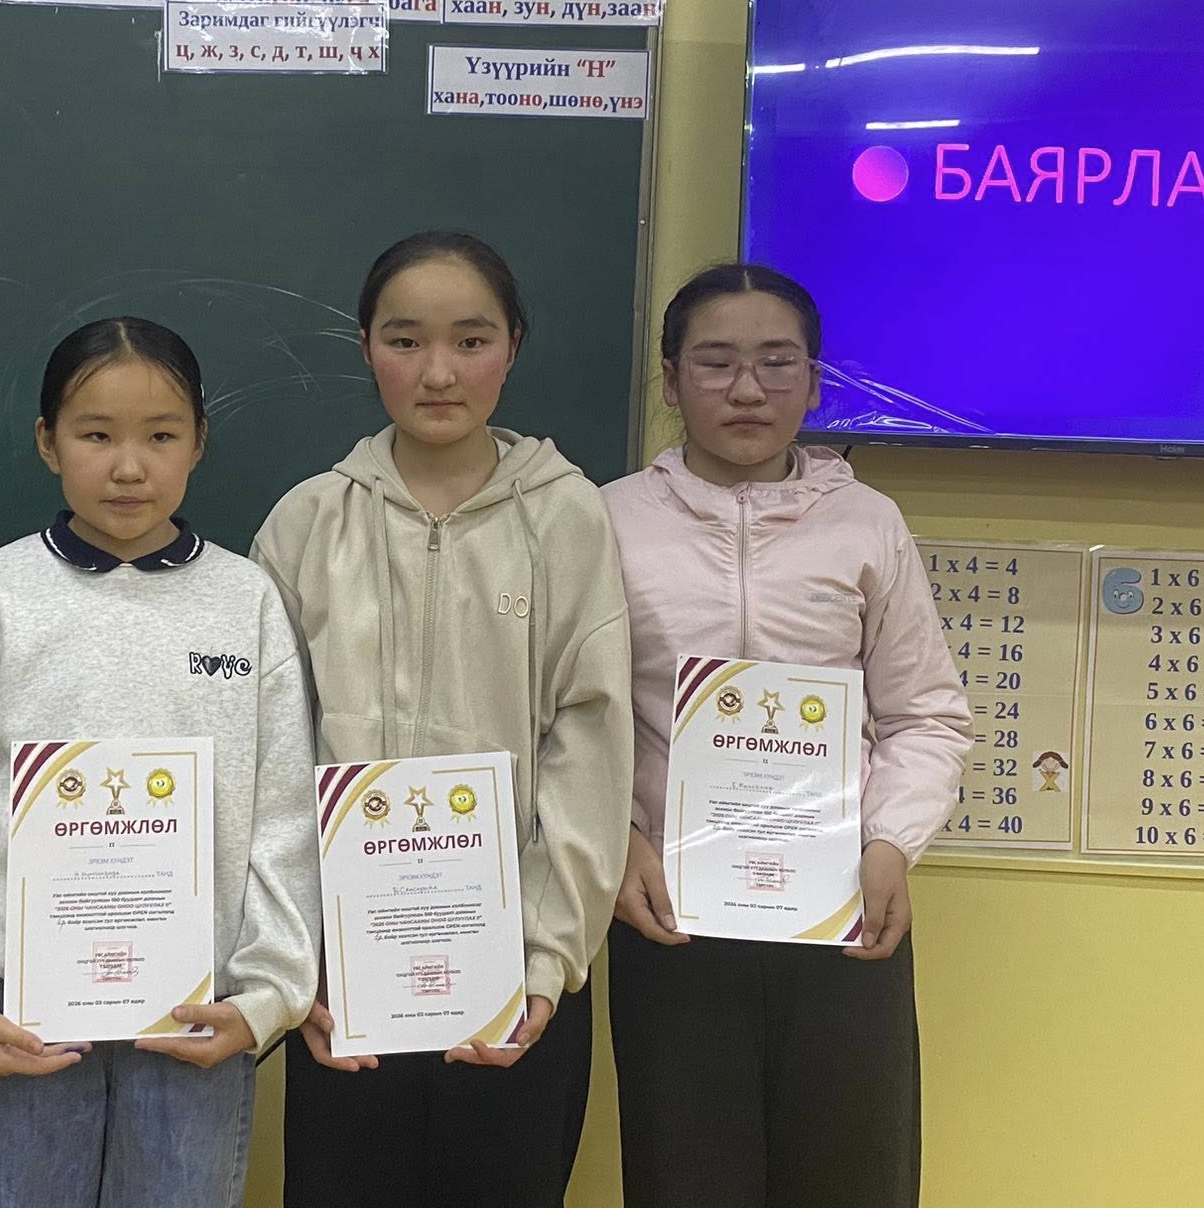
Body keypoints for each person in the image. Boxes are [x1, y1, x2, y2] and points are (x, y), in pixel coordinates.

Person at [0, 317, 320, 1208]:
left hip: (199, 1014)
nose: (129, 468)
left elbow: (282, 815)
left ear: (198, 444)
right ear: (48, 442)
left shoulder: (246, 604)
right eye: (96, 436)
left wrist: (267, 995)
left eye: (160, 437)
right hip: (20, 1014)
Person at [253, 230, 633, 1208]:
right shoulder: (307, 521)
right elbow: (267, 754)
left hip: (511, 980)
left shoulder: (568, 518)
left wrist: (545, 958)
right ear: (364, 346)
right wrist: (296, 957)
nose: (437, 372)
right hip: (345, 984)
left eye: (470, 341)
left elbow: (588, 744)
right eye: (404, 340)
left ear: (513, 346)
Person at [602, 262, 974, 1208]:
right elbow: (570, 716)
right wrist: (619, 839)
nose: (747, 389)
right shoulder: (605, 522)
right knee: (686, 1179)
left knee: (850, 1178)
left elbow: (926, 713)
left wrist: (889, 843)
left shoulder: (867, 522)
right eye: (715, 362)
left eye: (777, 362)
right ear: (671, 377)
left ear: (813, 382)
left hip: (840, 912)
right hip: (673, 917)